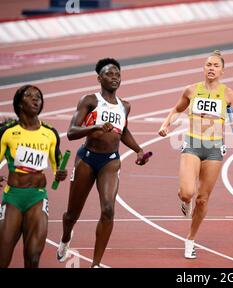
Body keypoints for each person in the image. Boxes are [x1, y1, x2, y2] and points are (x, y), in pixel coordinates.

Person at [56, 58, 149, 268]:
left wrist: (138, 150)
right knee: (72, 214)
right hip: (87, 158)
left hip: (110, 161)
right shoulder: (90, 101)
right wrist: (95, 127)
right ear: (99, 78)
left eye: (117, 74)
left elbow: (122, 131)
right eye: (109, 74)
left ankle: (95, 264)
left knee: (108, 210)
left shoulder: (125, 106)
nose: (114, 78)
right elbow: (71, 132)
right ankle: (65, 238)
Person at [158, 50, 233, 259]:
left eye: (215, 65)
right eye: (208, 65)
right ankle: (184, 199)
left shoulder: (228, 94)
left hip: (214, 148)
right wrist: (165, 126)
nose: (211, 68)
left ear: (222, 71)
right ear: (203, 68)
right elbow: (176, 109)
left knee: (203, 200)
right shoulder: (191, 90)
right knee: (188, 193)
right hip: (193, 144)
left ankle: (190, 239)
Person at [0, 85, 68, 268]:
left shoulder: (50, 133)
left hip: (37, 197)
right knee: (3, 256)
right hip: (13, 197)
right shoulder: (7, 132)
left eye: (38, 96)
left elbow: (58, 166)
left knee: (33, 257)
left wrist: (61, 173)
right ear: (20, 103)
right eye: (29, 96)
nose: (35, 99)